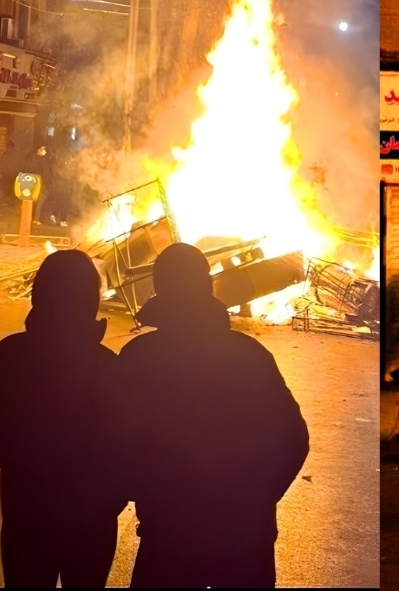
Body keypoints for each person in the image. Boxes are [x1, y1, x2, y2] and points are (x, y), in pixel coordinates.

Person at [116, 243, 307, 587]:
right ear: (207, 288)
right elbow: (294, 440)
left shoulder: (138, 358)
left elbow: (113, 443)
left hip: (169, 540)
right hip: (245, 544)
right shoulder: (251, 356)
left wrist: (149, 495)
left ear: (161, 291)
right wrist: (257, 499)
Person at [0, 248, 124, 587]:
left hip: (27, 513)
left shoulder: (9, 356)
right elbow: (132, 451)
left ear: (38, 295)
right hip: (92, 520)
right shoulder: (109, 366)